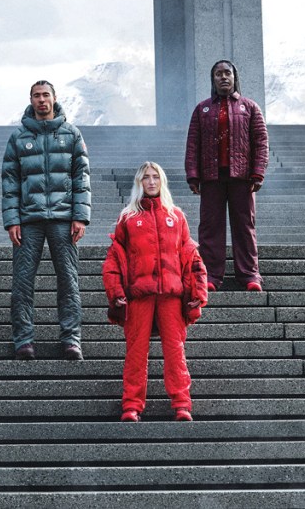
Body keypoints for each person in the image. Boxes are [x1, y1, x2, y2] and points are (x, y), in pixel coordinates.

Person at [102, 162, 208, 422]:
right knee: (136, 353)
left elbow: (192, 257)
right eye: (146, 178)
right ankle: (131, 406)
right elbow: (114, 260)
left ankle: (182, 404)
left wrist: (198, 291)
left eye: (155, 177)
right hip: (139, 296)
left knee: (175, 352)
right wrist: (116, 292)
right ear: (139, 183)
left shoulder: (177, 216)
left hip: (171, 296)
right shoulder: (128, 218)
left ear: (162, 181)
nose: (151, 182)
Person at [1, 80, 91, 361]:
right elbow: (10, 181)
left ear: (54, 98)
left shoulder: (72, 134)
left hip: (64, 219)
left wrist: (80, 217)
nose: (41, 100)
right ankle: (23, 340)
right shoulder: (18, 137)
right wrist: (12, 220)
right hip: (29, 220)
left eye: (45, 95)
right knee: (22, 282)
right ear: (31, 100)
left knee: (68, 281)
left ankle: (71, 339)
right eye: (36, 96)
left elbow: (81, 178)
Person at [185, 59, 269, 292]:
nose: (223, 77)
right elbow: (193, 144)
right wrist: (193, 175)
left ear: (234, 77)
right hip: (211, 177)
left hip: (242, 178)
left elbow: (261, 142)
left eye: (227, 73)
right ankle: (210, 276)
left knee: (244, 226)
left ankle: (250, 275)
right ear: (213, 80)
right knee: (210, 227)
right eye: (218, 74)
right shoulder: (202, 109)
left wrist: (258, 172)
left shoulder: (250, 107)